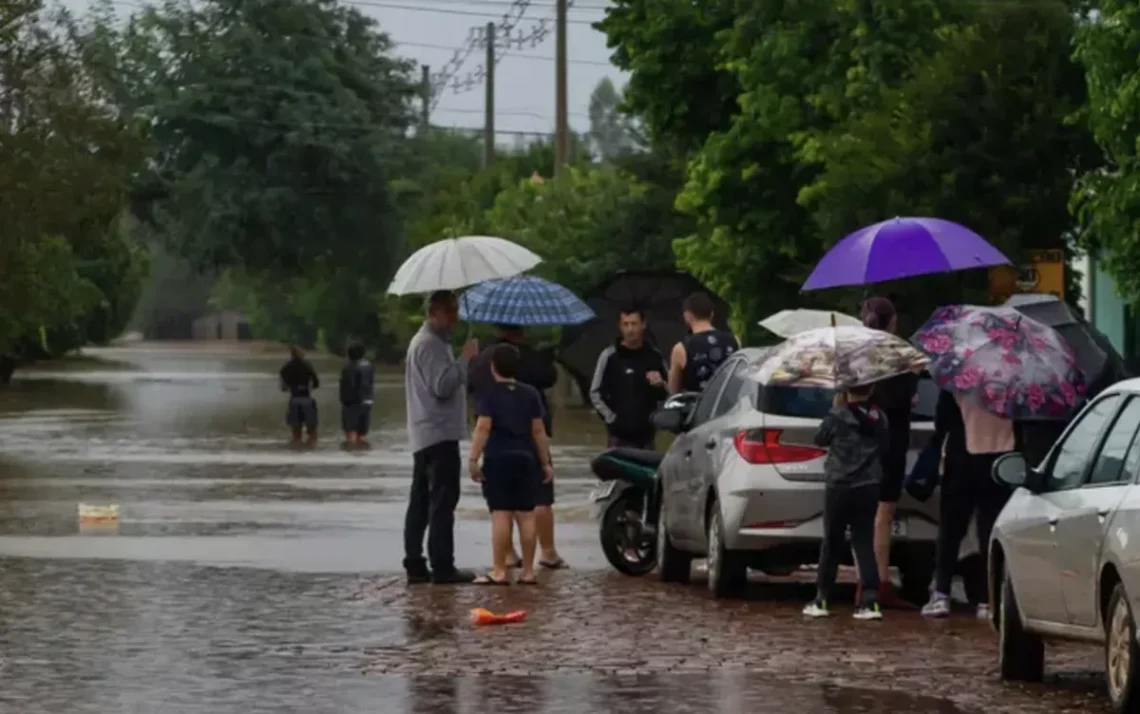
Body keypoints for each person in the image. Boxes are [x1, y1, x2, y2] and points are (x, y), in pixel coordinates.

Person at [469, 324, 565, 570]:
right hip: (528, 446)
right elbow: (550, 377)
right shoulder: (528, 362)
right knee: (538, 502)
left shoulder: (480, 359)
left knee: (501, 508)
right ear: (520, 330)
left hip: (495, 447)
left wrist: (472, 457)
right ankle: (546, 553)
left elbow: (473, 398)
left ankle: (506, 559)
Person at [403, 290, 480, 585]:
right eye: (450, 311)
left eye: (456, 310)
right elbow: (442, 386)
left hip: (425, 433)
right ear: (434, 312)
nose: (455, 318)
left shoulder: (426, 343)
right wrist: (465, 359)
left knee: (422, 500)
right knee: (442, 501)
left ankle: (415, 561)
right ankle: (442, 565)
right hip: (437, 434)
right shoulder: (430, 345)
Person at [922, 389, 1015, 619]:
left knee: (951, 530)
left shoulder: (957, 378)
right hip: (1000, 459)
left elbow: (941, 422)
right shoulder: (1012, 380)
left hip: (961, 459)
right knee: (990, 531)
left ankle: (941, 594)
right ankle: (987, 599)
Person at [803, 385, 887, 621]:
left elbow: (820, 438)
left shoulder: (837, 414)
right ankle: (870, 601)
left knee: (832, 540)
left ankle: (822, 598)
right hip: (869, 484)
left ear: (846, 390)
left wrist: (835, 408)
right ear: (870, 391)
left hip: (839, 484)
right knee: (863, 542)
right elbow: (885, 445)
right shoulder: (879, 416)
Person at [860, 296, 919, 609]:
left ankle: (865, 582)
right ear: (893, 321)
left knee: (863, 517)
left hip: (862, 444)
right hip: (892, 442)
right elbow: (909, 399)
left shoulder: (857, 356)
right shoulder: (903, 357)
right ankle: (880, 582)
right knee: (883, 516)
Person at [589, 308, 669, 449]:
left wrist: (661, 384)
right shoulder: (609, 356)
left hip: (647, 437)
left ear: (643, 324)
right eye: (625, 324)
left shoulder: (654, 356)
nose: (630, 329)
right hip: (618, 436)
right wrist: (611, 418)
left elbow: (670, 392)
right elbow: (595, 393)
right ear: (620, 326)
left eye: (634, 324)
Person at [668, 292, 739, 394]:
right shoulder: (734, 340)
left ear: (687, 316)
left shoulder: (681, 348)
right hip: (730, 405)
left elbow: (673, 391)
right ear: (712, 314)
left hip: (698, 407)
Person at [279, 345, 319, 444]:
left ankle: (297, 451)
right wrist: (308, 387)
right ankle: (311, 451)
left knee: (296, 432)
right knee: (312, 431)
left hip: (294, 399)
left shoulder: (286, 367)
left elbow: (283, 387)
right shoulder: (307, 365)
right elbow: (316, 383)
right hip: (306, 399)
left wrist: (291, 387)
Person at [338, 342, 375, 446]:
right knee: (361, 433)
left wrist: (344, 401)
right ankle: (362, 454)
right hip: (367, 401)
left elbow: (348, 386)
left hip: (353, 403)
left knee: (351, 432)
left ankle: (352, 455)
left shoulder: (348, 368)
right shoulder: (369, 366)